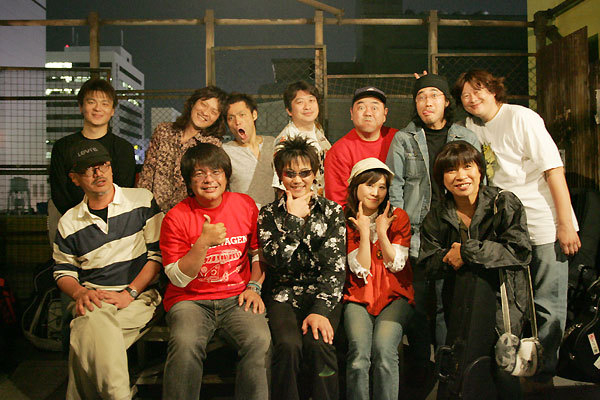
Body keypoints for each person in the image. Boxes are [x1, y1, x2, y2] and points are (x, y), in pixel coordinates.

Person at [453, 69, 581, 385]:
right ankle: (515, 371)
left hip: (543, 225)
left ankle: (543, 374)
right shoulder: (471, 127)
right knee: (512, 305)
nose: (472, 98)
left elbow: (554, 171)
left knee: (548, 304)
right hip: (506, 231)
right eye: (465, 95)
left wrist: (565, 224)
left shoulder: (522, 118)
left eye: (478, 90)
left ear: (494, 90)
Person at [385, 74, 481, 385]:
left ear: (446, 102)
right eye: (421, 97)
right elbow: (395, 187)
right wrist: (400, 233)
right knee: (419, 307)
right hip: (417, 234)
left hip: (456, 232)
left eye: (434, 95)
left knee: (448, 306)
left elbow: (480, 182)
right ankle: (420, 373)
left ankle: (446, 371)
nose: (428, 102)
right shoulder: (404, 139)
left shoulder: (465, 136)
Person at [418, 141, 531, 400]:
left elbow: (519, 251)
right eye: (451, 170)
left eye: (467, 167)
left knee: (503, 370)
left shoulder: (503, 203)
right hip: (460, 304)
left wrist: (468, 252)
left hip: (504, 301)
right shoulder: (437, 215)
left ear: (480, 170)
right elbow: (427, 264)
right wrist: (450, 258)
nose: (460, 176)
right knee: (464, 368)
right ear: (441, 178)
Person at [160, 143, 271, 400]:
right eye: (199, 174)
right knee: (185, 344)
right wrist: (202, 243)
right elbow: (177, 277)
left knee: (259, 340)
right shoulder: (176, 217)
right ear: (189, 181)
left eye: (216, 172)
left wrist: (254, 286)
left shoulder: (245, 205)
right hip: (190, 300)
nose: (209, 179)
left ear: (226, 176)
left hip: (237, 297)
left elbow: (258, 253)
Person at [53, 140, 163, 400]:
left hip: (139, 298)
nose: (98, 173)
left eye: (102, 165)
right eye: (88, 169)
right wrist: (80, 293)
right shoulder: (69, 221)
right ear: (75, 178)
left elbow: (156, 257)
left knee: (86, 335)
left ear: (111, 168)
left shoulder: (141, 200)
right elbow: (63, 272)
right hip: (93, 300)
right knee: (94, 325)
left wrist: (130, 293)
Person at [258, 137, 346, 400]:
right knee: (288, 346)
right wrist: (294, 219)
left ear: (315, 174)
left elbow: (335, 269)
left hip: (322, 293)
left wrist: (320, 311)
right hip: (283, 293)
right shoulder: (268, 214)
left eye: (305, 173)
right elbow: (274, 260)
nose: (298, 180)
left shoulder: (332, 211)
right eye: (290, 174)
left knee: (319, 343)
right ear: (280, 175)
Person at [343, 158, 414, 400]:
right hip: (358, 296)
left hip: (395, 296)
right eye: (370, 185)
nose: (376, 192)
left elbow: (397, 264)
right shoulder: (344, 218)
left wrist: (382, 232)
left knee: (384, 350)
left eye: (382, 187)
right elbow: (361, 268)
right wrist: (364, 232)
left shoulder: (398, 217)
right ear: (355, 187)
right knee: (359, 355)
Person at [49, 77, 135, 242]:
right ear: (81, 107)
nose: (97, 108)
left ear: (112, 110)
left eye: (105, 103)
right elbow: (59, 191)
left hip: (113, 223)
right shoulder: (62, 146)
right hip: (71, 221)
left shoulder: (123, 148)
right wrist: (79, 221)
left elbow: (124, 189)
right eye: (91, 102)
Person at [138, 86, 228, 212]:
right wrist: (141, 205)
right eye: (203, 105)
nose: (206, 113)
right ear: (193, 103)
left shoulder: (212, 145)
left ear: (218, 119)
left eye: (214, 112)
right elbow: (147, 172)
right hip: (151, 209)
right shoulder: (164, 131)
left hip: (185, 213)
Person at [324, 86, 397, 206]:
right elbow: (337, 203)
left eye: (374, 108)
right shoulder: (339, 151)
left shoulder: (398, 140)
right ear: (352, 113)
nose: (368, 113)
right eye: (361, 108)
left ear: (385, 114)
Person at [272, 80, 331, 197]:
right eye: (300, 102)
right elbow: (282, 186)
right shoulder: (285, 140)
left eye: (311, 100)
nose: (307, 107)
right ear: (289, 110)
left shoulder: (317, 129)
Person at [223, 92, 275, 208]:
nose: (237, 122)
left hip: (273, 214)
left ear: (254, 115)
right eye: (231, 118)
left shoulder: (272, 143)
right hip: (242, 215)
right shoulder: (226, 152)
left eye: (242, 115)